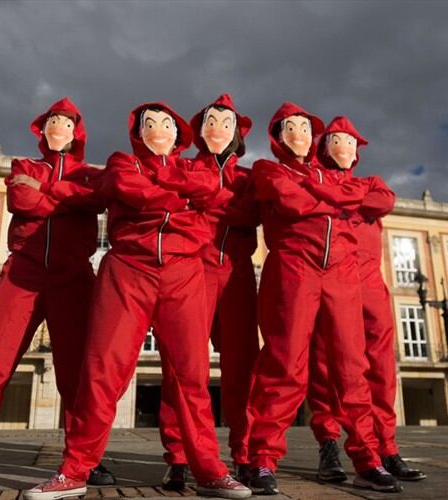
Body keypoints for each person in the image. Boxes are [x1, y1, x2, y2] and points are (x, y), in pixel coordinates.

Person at [24, 102, 251, 500]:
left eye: (167, 124)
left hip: (184, 273)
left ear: (179, 136)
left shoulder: (195, 168)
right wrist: (179, 200)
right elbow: (128, 189)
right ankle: (75, 470)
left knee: (191, 376)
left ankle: (210, 470)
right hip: (127, 268)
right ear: (138, 132)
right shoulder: (121, 162)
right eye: (150, 124)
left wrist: (166, 194)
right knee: (102, 372)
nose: (158, 129)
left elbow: (209, 192)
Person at [0, 97, 114, 489]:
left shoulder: (91, 175)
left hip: (73, 276)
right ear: (42, 132)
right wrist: (65, 197)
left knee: (77, 372)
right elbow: (22, 199)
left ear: (76, 132)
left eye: (64, 123)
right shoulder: (23, 168)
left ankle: (85, 458)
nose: (57, 129)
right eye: (50, 123)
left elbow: (95, 200)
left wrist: (49, 192)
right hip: (22, 272)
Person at [245, 103, 402, 495]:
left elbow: (383, 199)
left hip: (342, 275)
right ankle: (263, 459)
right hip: (293, 269)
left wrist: (323, 190)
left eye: (304, 129)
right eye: (290, 129)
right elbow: (290, 201)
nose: (299, 135)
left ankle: (367, 460)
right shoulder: (268, 170)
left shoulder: (324, 174)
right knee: (285, 365)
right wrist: (342, 196)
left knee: (353, 368)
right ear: (277, 137)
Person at [306, 116, 426, 484]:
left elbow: (384, 200)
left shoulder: (369, 183)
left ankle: (386, 448)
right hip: (332, 280)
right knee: (325, 367)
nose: (345, 148)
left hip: (371, 283)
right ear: (324, 148)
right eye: (337, 142)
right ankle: (329, 445)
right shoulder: (315, 180)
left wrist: (340, 196)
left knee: (380, 369)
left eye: (351, 143)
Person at [156, 94, 260, 489]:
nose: (218, 128)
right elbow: (175, 204)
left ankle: (246, 455)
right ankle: (179, 457)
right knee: (182, 368)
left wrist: (205, 201)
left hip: (236, 275)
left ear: (236, 133)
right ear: (200, 131)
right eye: (211, 122)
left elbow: (254, 214)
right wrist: (217, 203)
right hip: (190, 272)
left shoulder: (249, 178)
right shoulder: (181, 167)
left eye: (226, 123)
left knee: (243, 369)